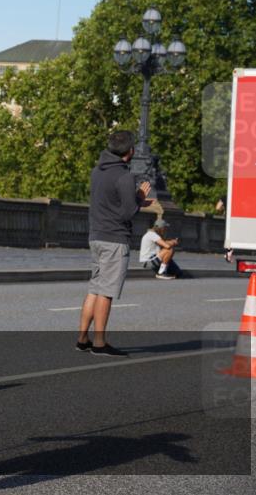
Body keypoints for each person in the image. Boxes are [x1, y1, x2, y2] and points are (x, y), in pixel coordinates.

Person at [76, 130, 153, 358]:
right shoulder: (124, 176)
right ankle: (100, 342)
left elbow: (109, 201)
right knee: (106, 292)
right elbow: (128, 212)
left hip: (96, 235)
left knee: (95, 287)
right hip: (115, 239)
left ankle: (82, 339)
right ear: (130, 152)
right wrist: (139, 197)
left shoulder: (96, 171)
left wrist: (134, 198)